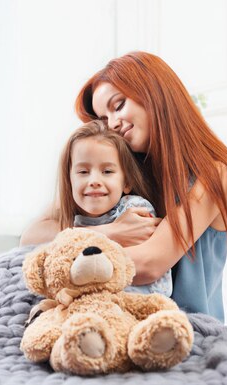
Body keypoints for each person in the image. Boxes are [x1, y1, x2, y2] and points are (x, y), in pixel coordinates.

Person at [21, 51, 227, 322]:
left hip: (186, 332)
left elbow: (150, 264)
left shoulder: (214, 176)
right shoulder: (125, 174)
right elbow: (32, 236)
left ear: (155, 94)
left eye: (118, 106)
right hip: (121, 325)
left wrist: (68, 257)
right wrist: (109, 231)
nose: (113, 124)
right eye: (104, 119)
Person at [56, 120, 172, 296]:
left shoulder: (134, 210)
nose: (94, 180)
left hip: (136, 305)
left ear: (127, 182)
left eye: (107, 172)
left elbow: (145, 273)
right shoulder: (73, 218)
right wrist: (109, 232)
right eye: (83, 172)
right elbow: (30, 238)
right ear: (69, 180)